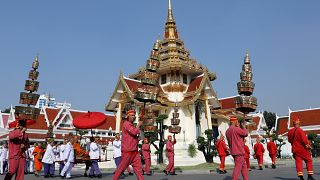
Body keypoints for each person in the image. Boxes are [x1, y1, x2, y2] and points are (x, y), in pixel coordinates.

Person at [113, 109, 144, 180]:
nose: (134, 117)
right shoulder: (126, 124)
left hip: (134, 151)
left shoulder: (132, 125)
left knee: (138, 169)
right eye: (132, 115)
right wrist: (138, 125)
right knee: (121, 169)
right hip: (127, 151)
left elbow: (134, 135)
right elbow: (134, 132)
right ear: (127, 116)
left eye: (134, 115)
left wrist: (137, 138)